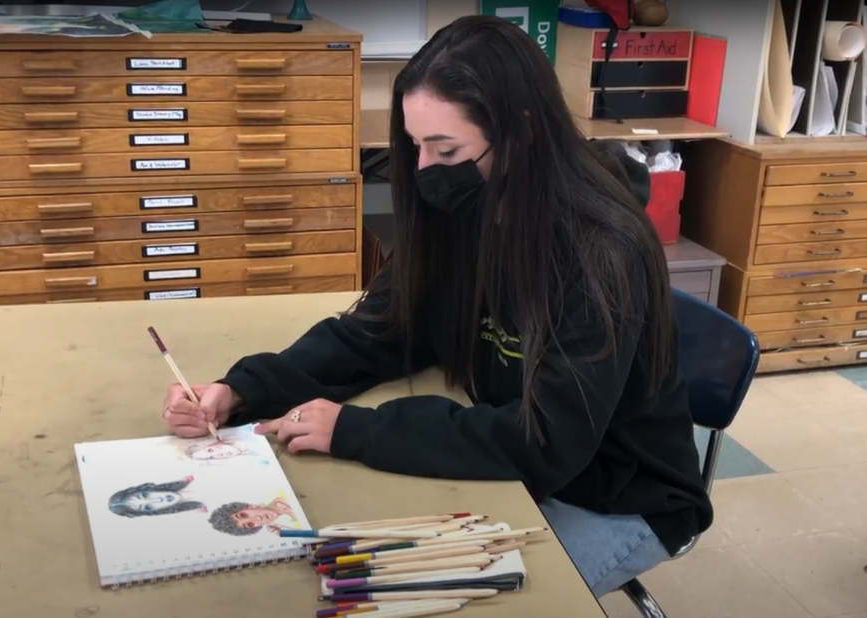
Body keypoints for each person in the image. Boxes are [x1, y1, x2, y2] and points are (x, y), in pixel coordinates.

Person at [161, 15, 712, 597]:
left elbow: (547, 442)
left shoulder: (601, 251)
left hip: (617, 492)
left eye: (444, 147)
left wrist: (357, 430)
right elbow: (380, 330)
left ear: (521, 134)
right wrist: (243, 389)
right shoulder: (468, 206)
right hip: (511, 456)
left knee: (439, 600)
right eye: (416, 145)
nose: (424, 169)